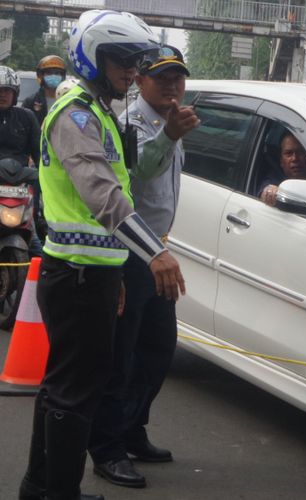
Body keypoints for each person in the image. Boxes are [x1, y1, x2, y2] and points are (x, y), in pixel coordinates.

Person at [18, 10, 185, 500]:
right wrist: (155, 254)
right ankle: (59, 492)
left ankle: (42, 487)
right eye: (121, 62)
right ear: (93, 57)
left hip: (90, 274)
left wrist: (116, 277)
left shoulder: (96, 112)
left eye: (134, 63)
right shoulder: (75, 115)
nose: (130, 73)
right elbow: (105, 196)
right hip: (75, 277)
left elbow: (127, 186)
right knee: (75, 392)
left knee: (61, 388)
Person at [88, 45, 199, 489]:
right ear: (139, 81)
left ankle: (132, 429)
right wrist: (168, 136)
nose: (173, 84)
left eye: (178, 77)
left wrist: (173, 132)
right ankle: (107, 448)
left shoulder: (173, 121)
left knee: (157, 351)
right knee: (123, 355)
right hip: (131, 253)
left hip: (159, 252)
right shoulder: (130, 125)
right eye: (162, 77)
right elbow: (129, 185)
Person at [0, 65, 44, 256]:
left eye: (6, 90)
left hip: (20, 189)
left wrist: (45, 175)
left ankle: (44, 279)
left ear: (14, 92)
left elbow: (40, 155)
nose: (2, 95)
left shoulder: (27, 117)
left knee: (36, 243)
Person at [258, 131, 306, 206]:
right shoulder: (275, 179)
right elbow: (265, 190)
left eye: (300, 152)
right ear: (281, 161)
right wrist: (270, 192)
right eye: (288, 153)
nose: (295, 158)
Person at [23, 55, 67, 126]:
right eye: (49, 73)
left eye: (57, 73)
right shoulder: (31, 101)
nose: (53, 76)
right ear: (41, 75)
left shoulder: (67, 101)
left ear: (62, 76)